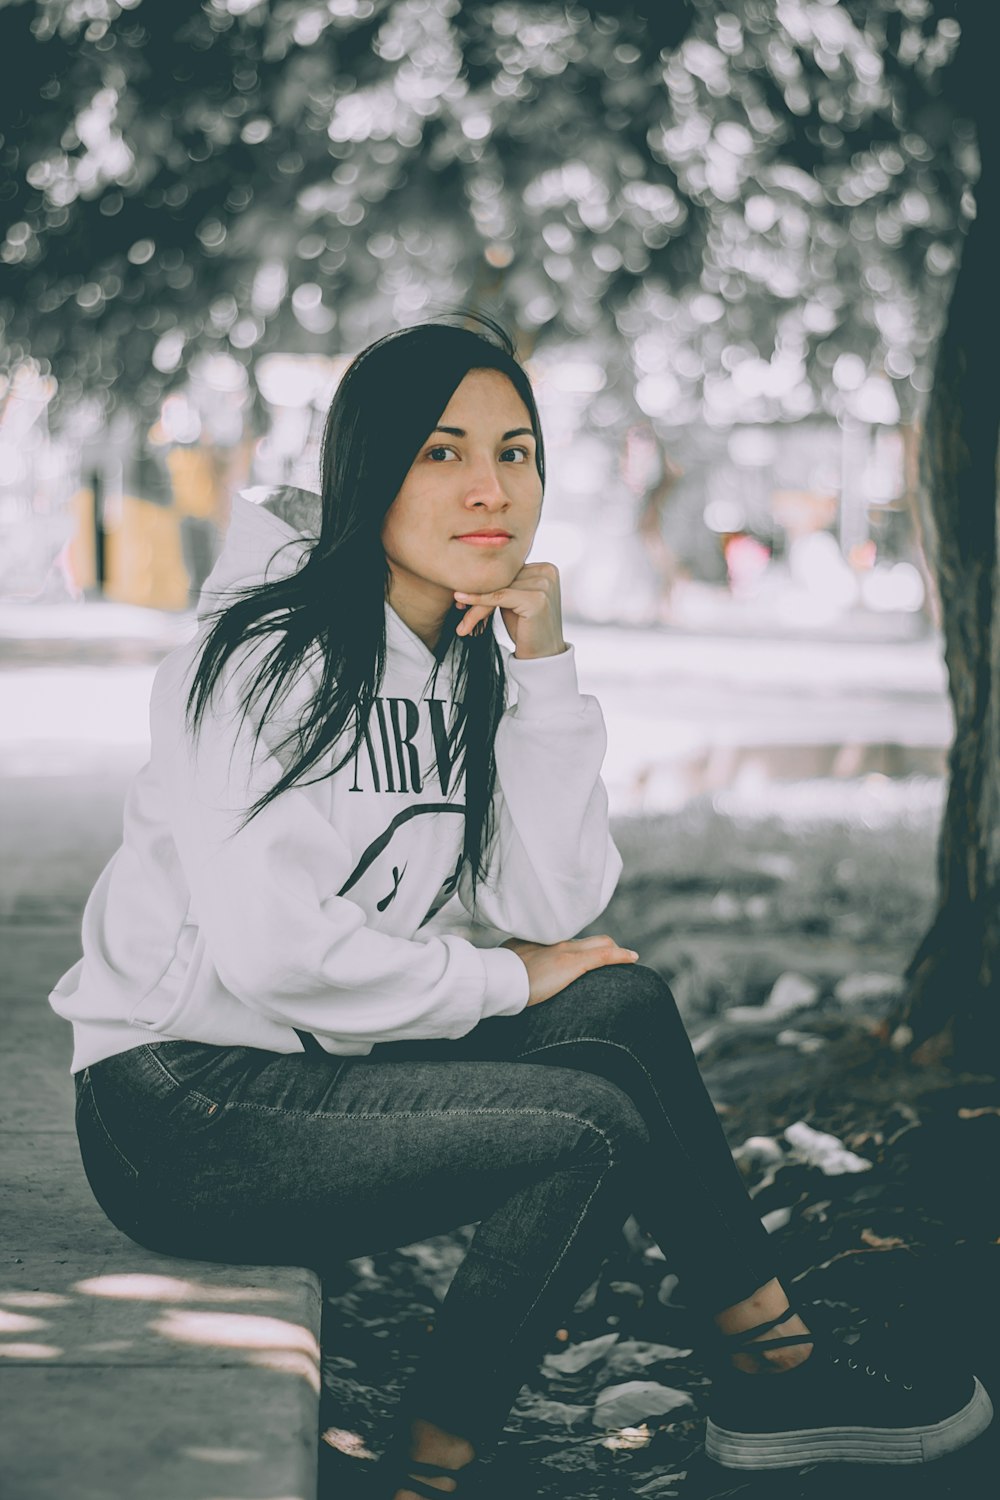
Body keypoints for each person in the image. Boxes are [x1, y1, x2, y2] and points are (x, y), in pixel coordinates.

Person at [49, 313, 992, 1499]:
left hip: (313, 1061)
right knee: (588, 1128)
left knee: (622, 1001)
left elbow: (553, 899)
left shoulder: (456, 657)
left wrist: (544, 676)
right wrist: (501, 980)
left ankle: (773, 1374)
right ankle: (432, 1473)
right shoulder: (262, 656)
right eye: (440, 452)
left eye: (516, 451)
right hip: (182, 1105)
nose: (489, 488)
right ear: (369, 473)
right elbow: (274, 949)